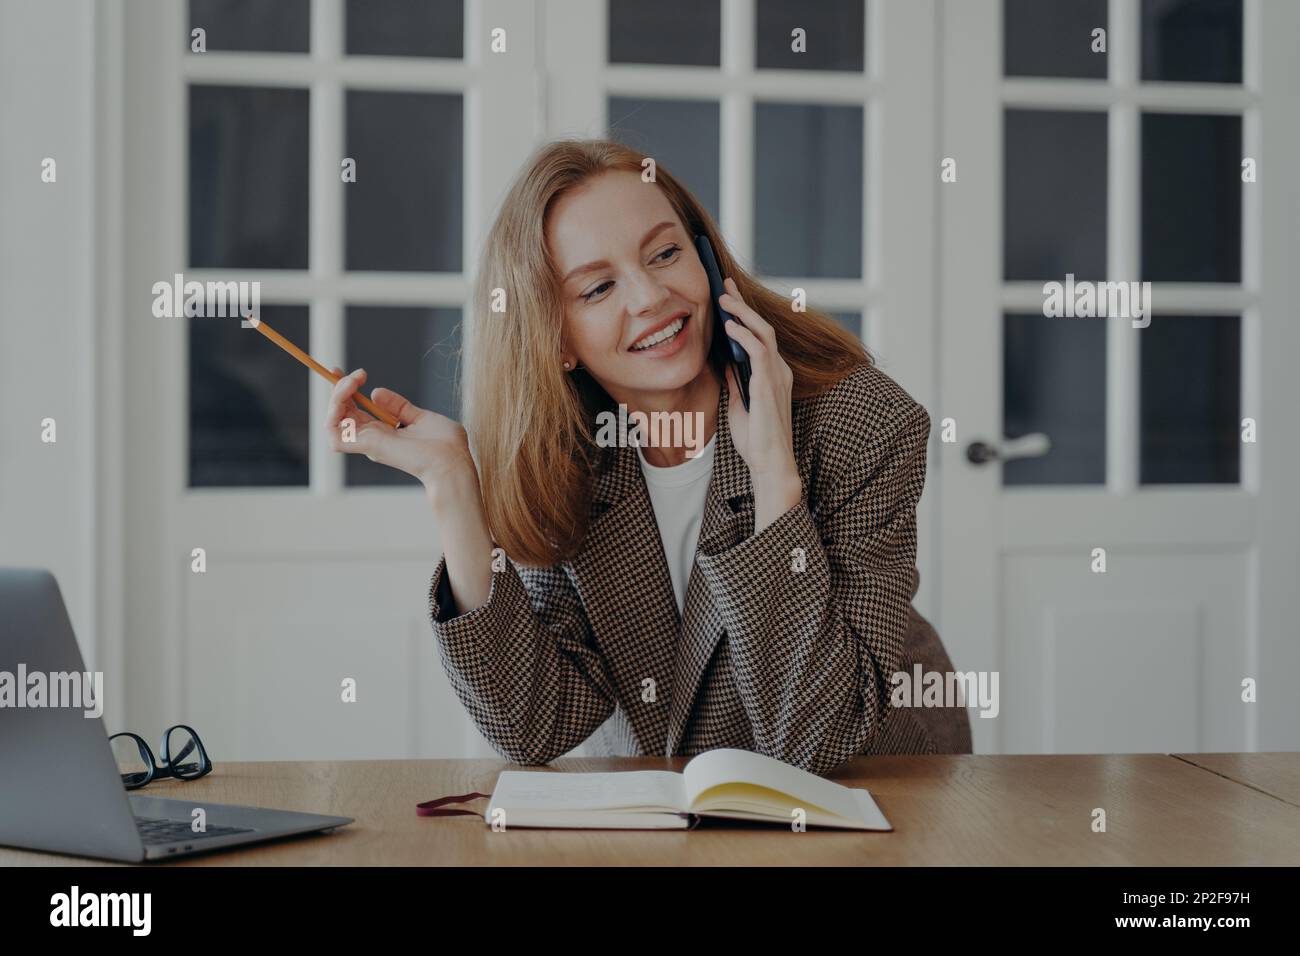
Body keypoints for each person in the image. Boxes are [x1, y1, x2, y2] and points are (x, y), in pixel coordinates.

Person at [325, 139, 971, 776]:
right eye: (599, 288)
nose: (650, 297)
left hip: (880, 785)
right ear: (557, 341)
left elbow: (816, 740)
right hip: (684, 811)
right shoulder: (566, 459)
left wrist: (775, 474)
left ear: (708, 262)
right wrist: (454, 489)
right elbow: (534, 724)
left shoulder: (862, 422)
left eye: (665, 253)